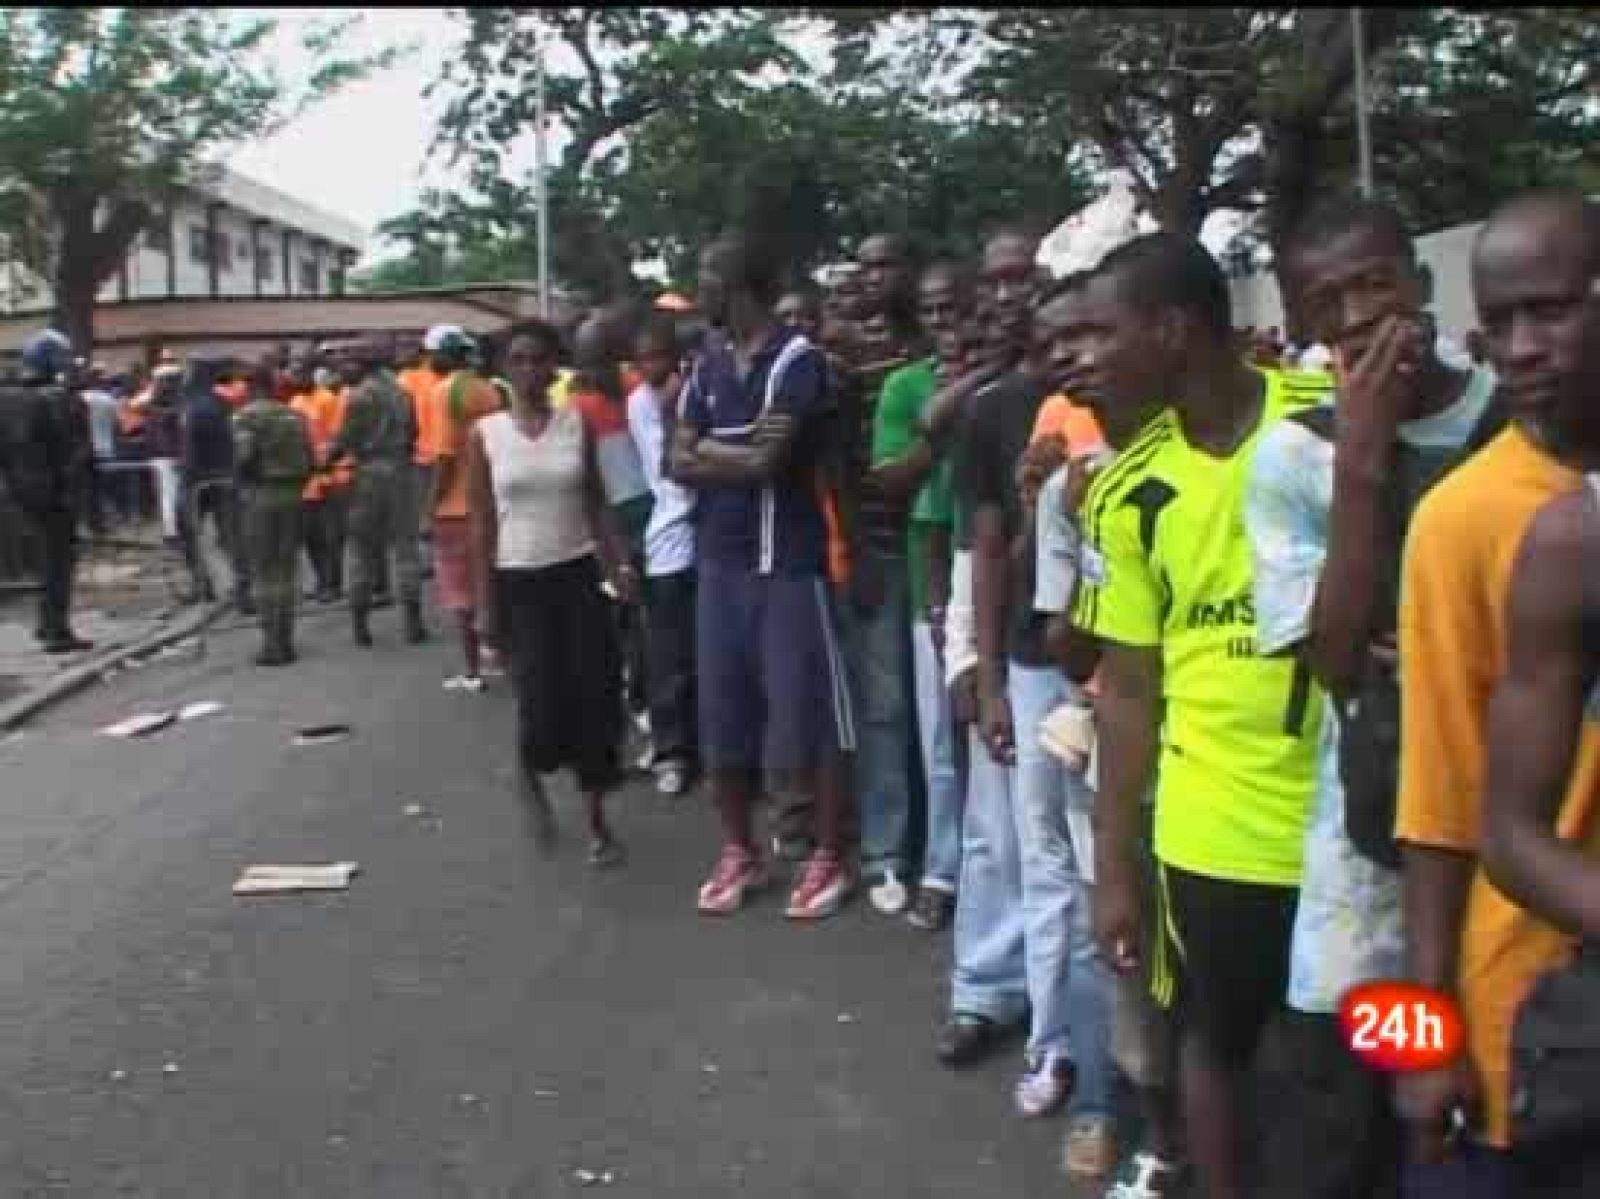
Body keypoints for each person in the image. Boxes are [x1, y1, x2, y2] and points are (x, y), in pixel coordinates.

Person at [1245, 193, 1502, 1199]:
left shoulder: (1507, 414)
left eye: (1374, 284)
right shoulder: (1295, 455)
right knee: (1358, 1097)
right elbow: (1337, 659)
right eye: (1325, 301)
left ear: (1421, 284)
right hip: (1369, 850)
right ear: (1302, 325)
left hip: (1512, 823)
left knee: (1486, 1076)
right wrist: (1359, 456)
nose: (1356, 316)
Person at [1070, 233, 1328, 1199]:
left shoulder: (1330, 420)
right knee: (1215, 1042)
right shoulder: (1126, 493)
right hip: (1213, 834)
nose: (1085, 355)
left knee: (1375, 1046)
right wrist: (1115, 873)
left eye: (1104, 331)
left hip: (1355, 821)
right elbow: (1128, 692)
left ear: (1173, 330)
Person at [1395, 191, 1600, 1194]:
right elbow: (1439, 798)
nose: (1520, 347)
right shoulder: (1464, 519)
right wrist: (1428, 1034)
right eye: (1500, 318)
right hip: (1526, 1010)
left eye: (1551, 311)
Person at [1034, 273, 1183, 1195]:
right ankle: (1134, 1123)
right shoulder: (1070, 487)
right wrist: (1078, 524)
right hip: (1118, 743)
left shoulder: (1221, 458)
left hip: (1222, 755)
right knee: (1125, 950)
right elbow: (1065, 641)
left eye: (1093, 339)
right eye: (1064, 347)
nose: (1077, 363)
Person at [668, 227, 856, 921]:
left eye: (706, 278)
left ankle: (827, 854)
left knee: (810, 718)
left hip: (786, 566)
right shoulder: (709, 360)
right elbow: (674, 460)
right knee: (723, 716)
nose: (698, 290)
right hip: (719, 563)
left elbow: (765, 466)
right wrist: (731, 450)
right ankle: (741, 848)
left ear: (737, 284)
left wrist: (710, 449)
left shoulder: (798, 360)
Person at [467, 325, 635, 866]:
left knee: (594, 698)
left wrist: (620, 565)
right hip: (519, 579)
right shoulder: (485, 434)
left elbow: (596, 500)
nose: (530, 372)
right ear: (504, 369)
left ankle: (597, 821)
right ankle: (528, 769)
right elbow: (482, 522)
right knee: (542, 707)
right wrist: (485, 605)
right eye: (518, 361)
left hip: (578, 572)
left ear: (554, 367)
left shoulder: (575, 424)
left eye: (540, 361)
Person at [626, 316, 701, 797]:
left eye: (659, 355)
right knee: (669, 654)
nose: (650, 366)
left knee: (709, 654)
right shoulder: (642, 402)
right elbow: (675, 469)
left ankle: (710, 746)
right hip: (670, 541)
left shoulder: (697, 389)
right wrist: (675, 411)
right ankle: (672, 749)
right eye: (642, 358)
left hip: (711, 539)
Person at [326, 339, 428, 647]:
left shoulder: (359, 397)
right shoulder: (403, 393)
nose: (343, 368)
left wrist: (324, 460)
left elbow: (344, 441)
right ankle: (413, 623)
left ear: (364, 364)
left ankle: (360, 626)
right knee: (406, 549)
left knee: (361, 550)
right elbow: (413, 434)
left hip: (368, 474)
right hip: (401, 472)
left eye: (349, 361)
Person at [0, 330, 93, 653]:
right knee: (58, 561)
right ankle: (56, 630)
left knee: (43, 559)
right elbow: (73, 450)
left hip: (20, 491)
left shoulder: (6, 398)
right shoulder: (57, 399)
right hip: (54, 493)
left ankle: (47, 625)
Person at [427, 326, 504, 692]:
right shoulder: (488, 389)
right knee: (488, 581)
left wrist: (430, 505)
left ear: (444, 356)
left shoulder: (445, 392)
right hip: (490, 500)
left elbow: (443, 455)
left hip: (455, 508)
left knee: (461, 594)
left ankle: (473, 671)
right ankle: (498, 657)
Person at [234, 362, 315, 666]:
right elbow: (310, 458)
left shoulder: (246, 418)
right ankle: (288, 639)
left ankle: (272, 644)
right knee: (286, 569)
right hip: (294, 494)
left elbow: (243, 457)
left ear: (250, 387)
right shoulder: (295, 415)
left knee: (264, 571)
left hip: (261, 495)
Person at [177, 356, 253, 613]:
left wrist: (187, 475)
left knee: (193, 534)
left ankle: (204, 585)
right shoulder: (222, 404)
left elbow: (190, 450)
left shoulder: (196, 408)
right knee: (232, 537)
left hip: (201, 481)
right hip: (225, 477)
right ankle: (244, 591)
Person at [290, 358, 342, 603]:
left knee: (329, 535)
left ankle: (332, 583)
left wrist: (324, 467)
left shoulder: (328, 399)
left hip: (327, 476)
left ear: (311, 375)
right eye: (293, 375)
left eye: (300, 374)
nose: (295, 379)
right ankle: (321, 580)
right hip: (303, 478)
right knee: (311, 535)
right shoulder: (296, 402)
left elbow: (336, 437)